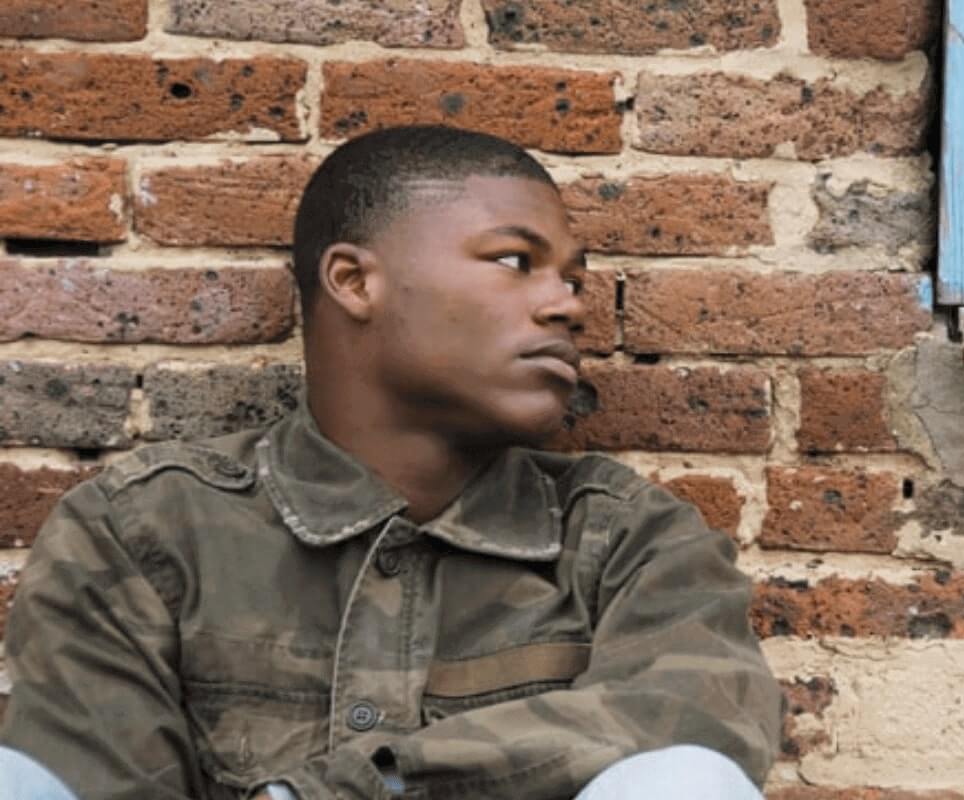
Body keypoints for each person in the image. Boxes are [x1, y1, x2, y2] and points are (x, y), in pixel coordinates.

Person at [0, 125, 782, 799]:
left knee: (686, 781)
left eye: (572, 279)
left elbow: (696, 716)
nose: (567, 304)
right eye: (516, 261)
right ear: (353, 280)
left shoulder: (626, 541)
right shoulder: (147, 530)